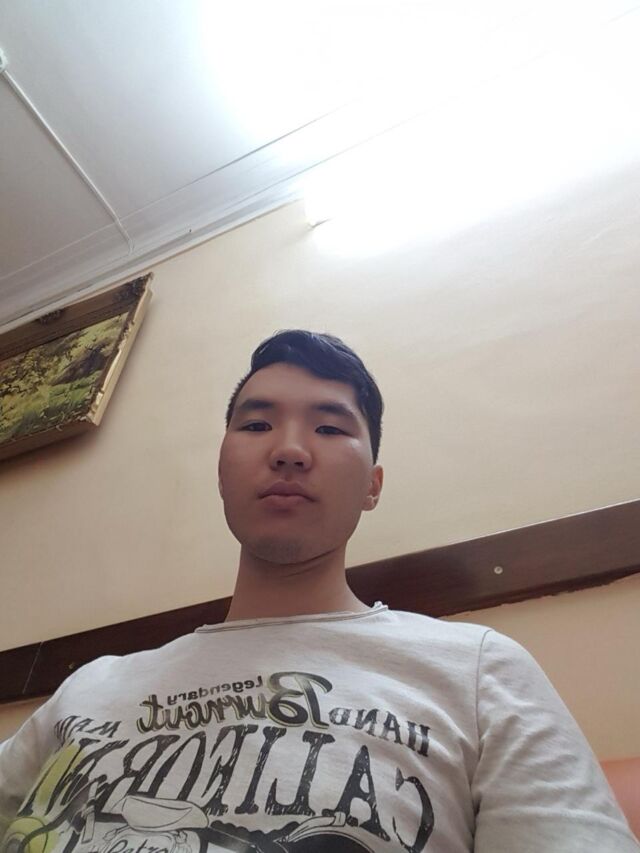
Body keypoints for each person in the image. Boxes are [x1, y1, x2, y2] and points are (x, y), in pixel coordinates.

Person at [0, 329, 637, 853]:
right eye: (256, 425)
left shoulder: (478, 670)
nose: (290, 450)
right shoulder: (90, 687)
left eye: (331, 429)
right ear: (221, 470)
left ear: (373, 486)